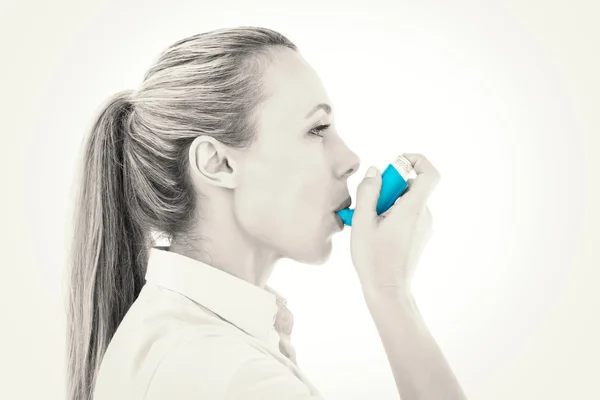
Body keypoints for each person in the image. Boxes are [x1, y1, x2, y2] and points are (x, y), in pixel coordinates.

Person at [66, 26, 467, 400]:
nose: (349, 159)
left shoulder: (193, 341)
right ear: (218, 164)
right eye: (317, 128)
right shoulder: (230, 376)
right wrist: (391, 293)